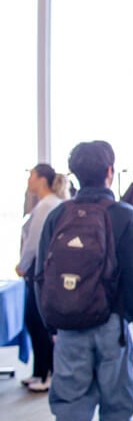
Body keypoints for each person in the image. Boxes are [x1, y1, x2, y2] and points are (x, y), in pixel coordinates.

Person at [34, 141, 133, 421]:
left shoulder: (59, 215)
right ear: (109, 172)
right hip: (111, 327)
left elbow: (42, 276)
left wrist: (53, 323)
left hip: (68, 327)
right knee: (115, 405)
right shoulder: (126, 217)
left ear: (71, 174)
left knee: (70, 402)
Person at [16, 163, 61, 391]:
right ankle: (39, 371)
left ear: (42, 179)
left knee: (38, 321)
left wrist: (23, 265)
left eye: (31, 175)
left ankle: (46, 374)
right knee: (35, 321)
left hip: (38, 270)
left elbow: (34, 243)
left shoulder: (47, 206)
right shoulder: (46, 204)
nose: (28, 179)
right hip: (41, 269)